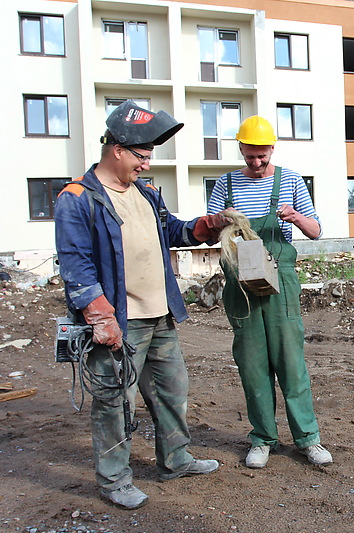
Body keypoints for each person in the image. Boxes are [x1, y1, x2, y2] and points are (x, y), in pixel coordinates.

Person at [54, 100, 231, 509]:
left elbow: (173, 229)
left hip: (159, 315)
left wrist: (209, 225)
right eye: (142, 156)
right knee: (115, 400)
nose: (147, 165)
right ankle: (115, 481)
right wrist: (101, 318)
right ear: (117, 149)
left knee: (172, 391)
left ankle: (175, 459)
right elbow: (76, 266)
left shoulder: (146, 194)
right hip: (120, 321)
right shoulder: (78, 198)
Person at [206, 115, 333, 468]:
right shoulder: (225, 184)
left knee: (291, 362)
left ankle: (308, 439)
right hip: (240, 285)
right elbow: (207, 229)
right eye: (250, 156)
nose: (257, 163)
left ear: (272, 149)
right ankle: (263, 439)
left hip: (282, 283)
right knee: (252, 363)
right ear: (241, 149)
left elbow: (316, 231)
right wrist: (221, 220)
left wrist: (295, 217)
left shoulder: (289, 180)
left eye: (263, 156)